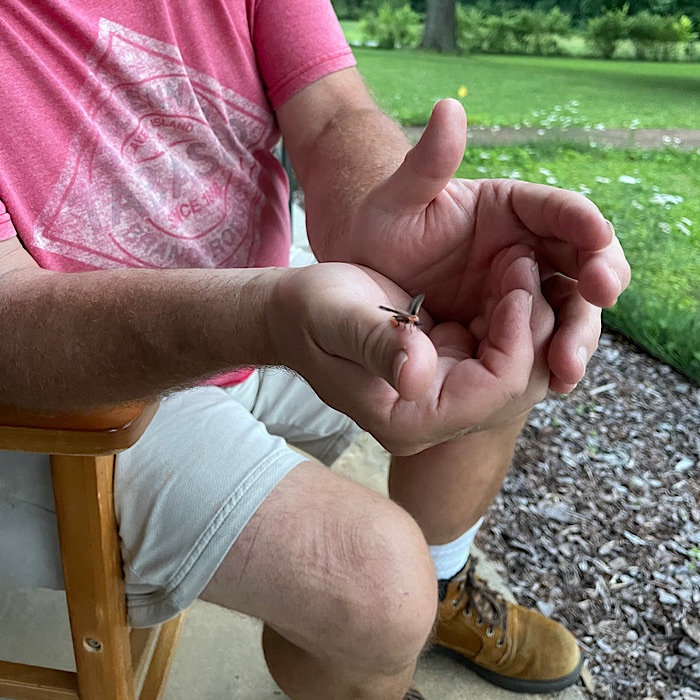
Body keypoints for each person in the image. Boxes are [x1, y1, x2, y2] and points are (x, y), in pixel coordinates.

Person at [0, 1, 630, 698]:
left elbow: (332, 113)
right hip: (76, 382)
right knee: (382, 595)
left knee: (497, 335)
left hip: (257, 283)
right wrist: (264, 316)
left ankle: (442, 580)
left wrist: (385, 218)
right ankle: (381, 650)